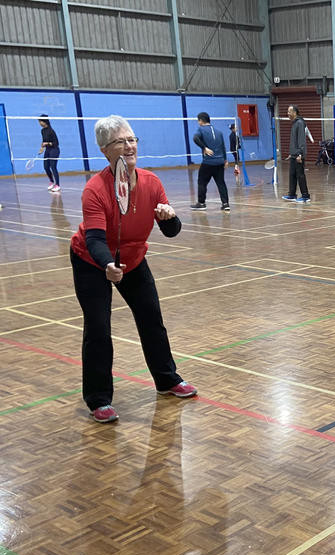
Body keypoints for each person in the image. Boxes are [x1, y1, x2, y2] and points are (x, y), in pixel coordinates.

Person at [69, 115, 197, 423]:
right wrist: (107, 264)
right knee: (98, 328)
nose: (129, 146)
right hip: (92, 261)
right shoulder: (95, 190)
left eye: (132, 140)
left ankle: (167, 380)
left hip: (134, 259)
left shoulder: (151, 182)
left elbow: (172, 231)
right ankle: (99, 398)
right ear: (104, 150)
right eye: (121, 141)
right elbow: (96, 238)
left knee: (152, 318)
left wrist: (169, 217)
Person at [190, 112, 229, 212]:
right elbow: (223, 147)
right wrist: (225, 160)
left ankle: (201, 203)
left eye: (198, 120)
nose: (198, 123)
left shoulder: (201, 129)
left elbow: (195, 138)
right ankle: (225, 204)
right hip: (220, 162)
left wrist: (204, 148)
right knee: (221, 183)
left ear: (201, 120)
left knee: (202, 182)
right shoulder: (219, 132)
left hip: (208, 162)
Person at [281, 105, 311, 203]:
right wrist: (292, 153)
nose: (288, 114)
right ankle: (292, 195)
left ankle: (306, 196)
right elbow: (294, 141)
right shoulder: (294, 123)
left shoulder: (300, 123)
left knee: (300, 175)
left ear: (295, 113)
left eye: (289, 112)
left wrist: (300, 154)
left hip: (299, 155)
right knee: (292, 175)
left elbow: (301, 140)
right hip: (294, 154)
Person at [39, 116, 61, 193]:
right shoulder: (42, 131)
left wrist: (47, 143)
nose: (39, 123)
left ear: (44, 121)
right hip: (48, 150)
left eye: (40, 121)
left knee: (53, 167)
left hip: (54, 150)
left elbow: (56, 143)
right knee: (46, 167)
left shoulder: (51, 131)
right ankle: (51, 181)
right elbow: (43, 141)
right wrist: (42, 148)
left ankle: (57, 185)